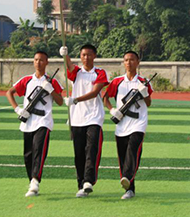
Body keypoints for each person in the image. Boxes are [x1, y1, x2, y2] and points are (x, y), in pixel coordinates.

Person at [6, 50, 64, 197]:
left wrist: (50, 90)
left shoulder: (52, 81)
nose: (38, 63)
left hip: (43, 121)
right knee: (28, 154)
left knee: (39, 150)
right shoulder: (26, 80)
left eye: (42, 60)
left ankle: (35, 180)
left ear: (47, 62)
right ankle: (31, 180)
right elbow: (9, 93)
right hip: (28, 122)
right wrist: (17, 109)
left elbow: (60, 101)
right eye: (36, 60)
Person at [59, 44, 109, 198]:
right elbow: (69, 66)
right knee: (79, 153)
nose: (86, 58)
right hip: (77, 118)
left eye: (89, 54)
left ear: (94, 56)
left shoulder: (100, 73)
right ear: (80, 57)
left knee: (91, 148)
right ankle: (81, 185)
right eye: (83, 55)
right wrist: (65, 55)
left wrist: (75, 99)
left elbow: (95, 93)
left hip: (94, 117)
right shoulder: (77, 72)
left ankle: (88, 180)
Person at [103, 51, 153, 200]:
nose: (129, 62)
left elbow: (149, 103)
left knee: (133, 149)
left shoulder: (144, 81)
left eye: (132, 60)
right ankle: (129, 188)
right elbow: (105, 98)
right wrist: (112, 110)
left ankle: (127, 177)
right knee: (124, 157)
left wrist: (144, 93)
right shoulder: (117, 82)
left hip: (138, 123)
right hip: (122, 125)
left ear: (138, 62)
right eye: (126, 60)